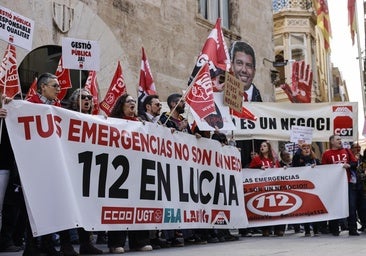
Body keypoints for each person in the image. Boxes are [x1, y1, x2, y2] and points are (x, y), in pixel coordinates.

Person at [108, 94, 153, 253]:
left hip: (138, 171)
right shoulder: (112, 123)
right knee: (119, 208)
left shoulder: (142, 124)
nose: (132, 103)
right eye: (129, 101)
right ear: (121, 105)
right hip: (119, 172)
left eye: (134, 101)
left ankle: (140, 241)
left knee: (139, 206)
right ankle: (116, 243)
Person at [64, 88, 103, 254]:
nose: (87, 100)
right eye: (83, 97)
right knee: (68, 207)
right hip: (70, 166)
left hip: (88, 169)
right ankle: (66, 244)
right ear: (75, 100)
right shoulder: (64, 114)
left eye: (89, 97)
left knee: (86, 206)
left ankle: (86, 243)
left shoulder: (95, 119)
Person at [229, 41, 264, 169]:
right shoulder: (220, 96)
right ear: (231, 65)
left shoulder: (259, 100)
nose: (244, 70)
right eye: (239, 63)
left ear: (254, 71)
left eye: (248, 65)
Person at [321, 135, 362, 236]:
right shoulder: (326, 154)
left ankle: (352, 229)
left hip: (347, 182)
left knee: (351, 206)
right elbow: (323, 168)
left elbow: (354, 163)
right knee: (334, 205)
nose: (340, 141)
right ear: (332, 142)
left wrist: (349, 165)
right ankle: (334, 229)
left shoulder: (347, 151)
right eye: (337, 139)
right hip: (334, 184)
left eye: (340, 139)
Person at [249, 141, 284, 237]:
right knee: (265, 207)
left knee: (276, 207)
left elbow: (279, 171)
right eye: (261, 146)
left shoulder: (274, 160)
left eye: (264, 146)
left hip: (274, 187)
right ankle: (266, 229)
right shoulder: (256, 159)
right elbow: (250, 171)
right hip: (262, 188)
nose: (262, 147)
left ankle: (278, 229)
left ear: (268, 148)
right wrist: (259, 168)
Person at [292, 143, 321, 236]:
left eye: (308, 148)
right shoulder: (298, 159)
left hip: (314, 186)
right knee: (305, 208)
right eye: (304, 148)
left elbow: (322, 169)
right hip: (303, 187)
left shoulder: (315, 160)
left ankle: (316, 229)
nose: (306, 149)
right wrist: (299, 150)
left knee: (314, 208)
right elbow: (294, 163)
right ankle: (307, 230)